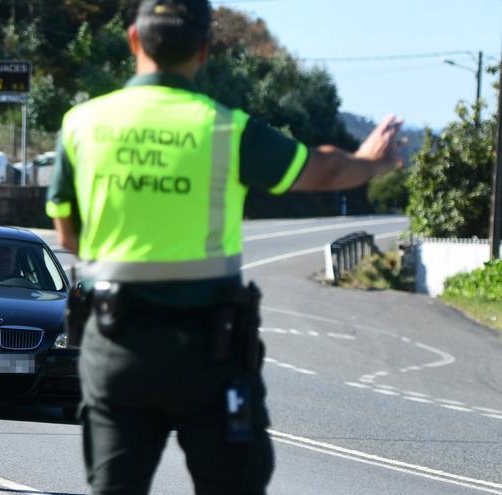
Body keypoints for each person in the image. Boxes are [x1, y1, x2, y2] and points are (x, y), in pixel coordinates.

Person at [45, 2, 404, 494]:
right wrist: (370, 162)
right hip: (209, 354)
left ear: (133, 40)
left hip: (116, 347)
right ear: (204, 50)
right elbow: (323, 170)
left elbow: (67, 236)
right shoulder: (226, 128)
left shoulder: (81, 125)